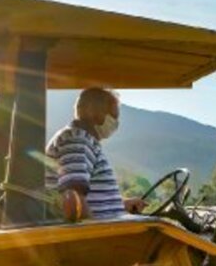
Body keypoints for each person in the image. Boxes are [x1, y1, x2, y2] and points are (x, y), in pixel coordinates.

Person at [45, 87, 145, 220]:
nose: (116, 123)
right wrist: (94, 231)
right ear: (93, 112)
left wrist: (122, 204)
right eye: (113, 116)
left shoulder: (85, 141)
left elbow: (86, 195)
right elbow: (73, 198)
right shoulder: (77, 141)